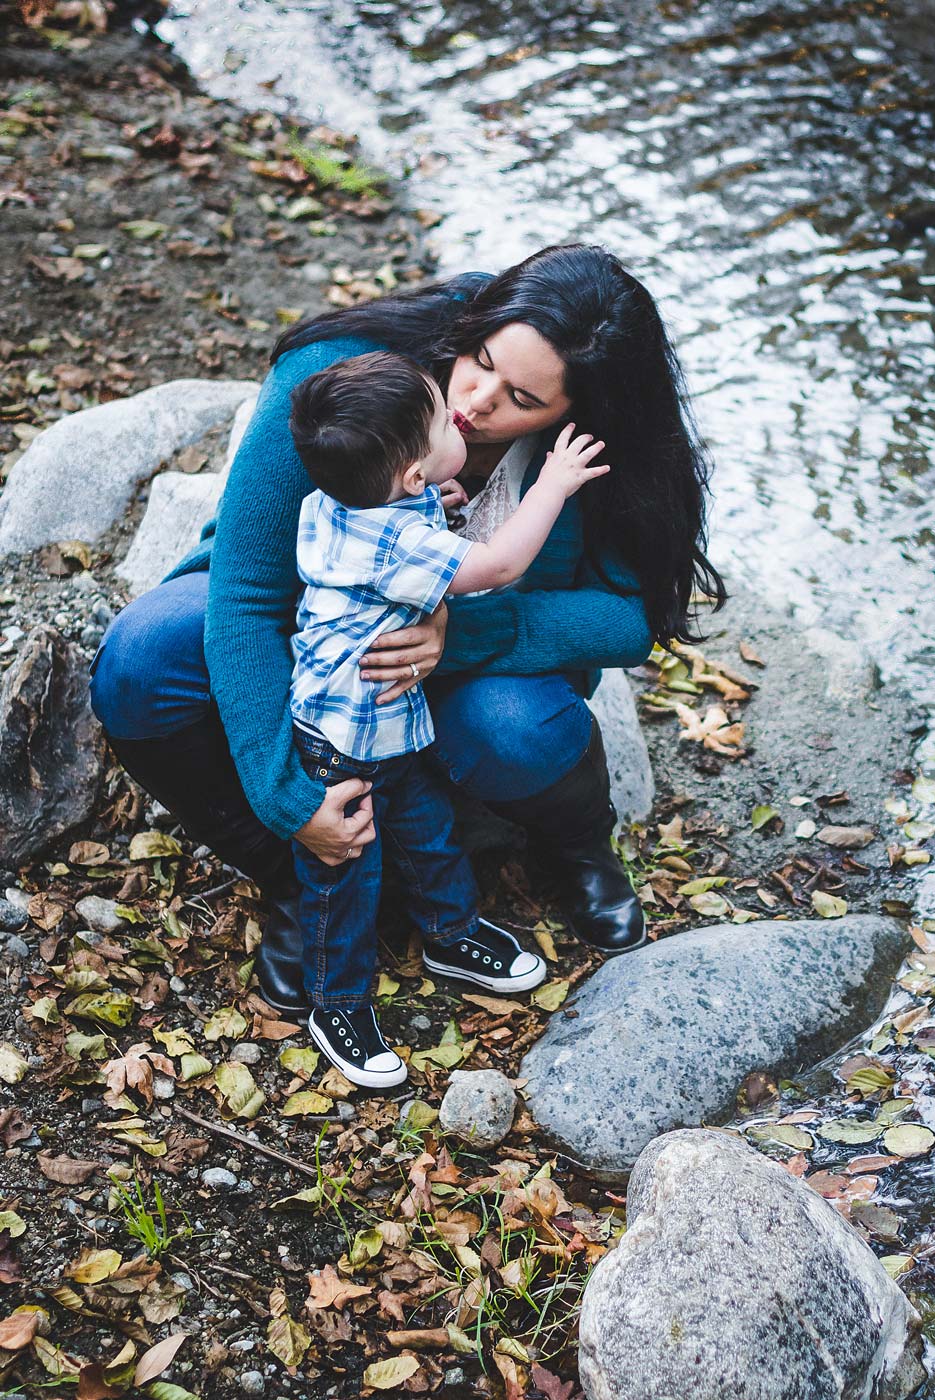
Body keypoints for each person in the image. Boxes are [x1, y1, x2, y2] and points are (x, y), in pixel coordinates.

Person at [89, 243, 726, 1027]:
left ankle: (579, 845)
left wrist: (457, 633)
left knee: (510, 727)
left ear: (576, 411)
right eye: (480, 359)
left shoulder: (595, 452)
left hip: (467, 668)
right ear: (474, 320)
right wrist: (286, 801)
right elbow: (250, 595)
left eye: (521, 396)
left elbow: (627, 621)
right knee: (141, 662)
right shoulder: (347, 378)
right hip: (308, 624)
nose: (477, 401)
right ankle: (298, 875)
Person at [286, 351, 611, 1085]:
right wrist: (551, 487)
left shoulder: (344, 498)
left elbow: (412, 523)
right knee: (347, 877)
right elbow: (493, 567)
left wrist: (441, 498)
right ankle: (336, 1000)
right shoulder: (398, 540)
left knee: (429, 836)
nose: (457, 413)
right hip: (345, 747)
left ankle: (450, 935)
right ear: (411, 474)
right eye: (441, 421)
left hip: (383, 728)